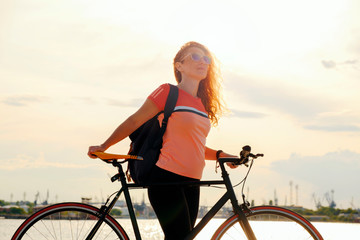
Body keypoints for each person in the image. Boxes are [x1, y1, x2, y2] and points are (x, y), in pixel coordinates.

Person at [88, 41, 237, 239]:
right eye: (194, 56)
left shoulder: (202, 106)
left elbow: (195, 146)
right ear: (179, 66)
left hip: (192, 181)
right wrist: (104, 145)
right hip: (166, 177)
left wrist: (220, 155)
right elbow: (135, 120)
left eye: (206, 58)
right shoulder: (168, 92)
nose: (202, 61)